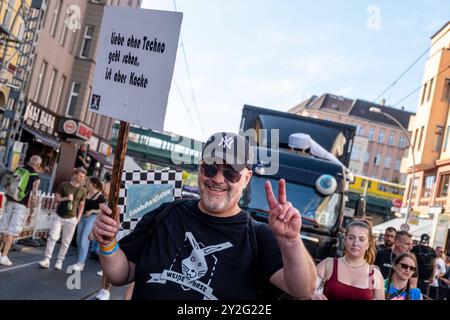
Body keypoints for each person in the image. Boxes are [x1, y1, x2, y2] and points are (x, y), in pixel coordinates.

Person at [92, 132, 317, 299]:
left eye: (230, 173)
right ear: (200, 169)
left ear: (246, 178)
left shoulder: (259, 237)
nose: (218, 179)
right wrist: (108, 243)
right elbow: (121, 274)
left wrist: (290, 241)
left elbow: (304, 289)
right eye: (210, 168)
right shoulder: (167, 213)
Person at [311, 220, 385, 300]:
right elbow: (306, 292)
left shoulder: (373, 274)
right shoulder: (328, 265)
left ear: (368, 244)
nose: (355, 243)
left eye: (361, 239)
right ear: (345, 240)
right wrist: (313, 295)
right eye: (351, 238)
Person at [39, 167, 87, 270]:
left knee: (66, 241)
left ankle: (59, 261)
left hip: (72, 218)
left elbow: (81, 205)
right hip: (59, 216)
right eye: (80, 176)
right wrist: (66, 198)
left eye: (83, 177)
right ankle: (47, 259)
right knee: (53, 237)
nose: (82, 178)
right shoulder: (64, 185)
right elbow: (57, 199)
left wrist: (78, 219)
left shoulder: (83, 190)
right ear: (75, 174)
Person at [0, 155, 41, 266]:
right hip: (21, 206)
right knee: (12, 232)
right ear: (38, 165)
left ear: (29, 161)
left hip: (9, 200)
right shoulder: (35, 177)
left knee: (3, 228)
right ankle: (4, 256)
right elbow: (33, 196)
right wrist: (31, 214)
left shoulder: (19, 169)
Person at [69, 177, 106, 271]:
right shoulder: (85, 192)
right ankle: (80, 261)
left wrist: (93, 211)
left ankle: (81, 263)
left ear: (94, 184)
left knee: (84, 240)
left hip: (91, 219)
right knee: (78, 240)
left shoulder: (100, 196)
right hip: (82, 218)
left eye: (88, 182)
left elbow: (102, 210)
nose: (86, 183)